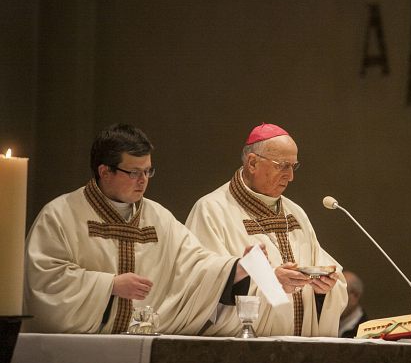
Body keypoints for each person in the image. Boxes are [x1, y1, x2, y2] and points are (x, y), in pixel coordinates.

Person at [24, 123, 254, 334]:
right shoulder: (60, 214)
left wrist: (235, 268)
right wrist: (110, 285)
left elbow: (194, 263)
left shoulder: (158, 218)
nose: (143, 180)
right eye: (134, 172)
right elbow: (46, 280)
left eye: (148, 171)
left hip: (139, 343)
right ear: (105, 172)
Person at [185, 122, 348, 337]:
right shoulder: (212, 210)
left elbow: (331, 277)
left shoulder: (295, 212)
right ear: (252, 163)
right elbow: (200, 285)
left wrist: (324, 290)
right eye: (282, 165)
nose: (290, 176)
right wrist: (272, 283)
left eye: (293, 166)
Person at [339, 271, 368, 338]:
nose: (333, 300)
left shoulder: (367, 332)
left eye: (340, 294)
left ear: (355, 296)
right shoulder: (327, 323)